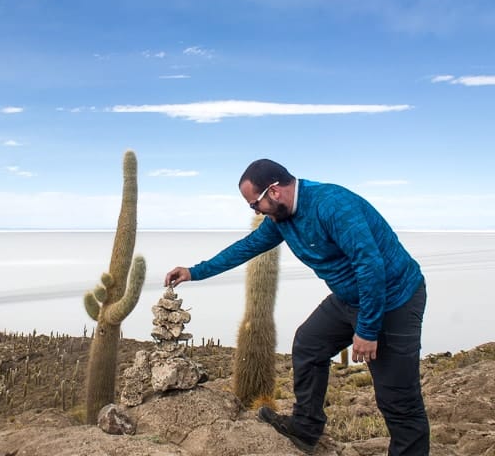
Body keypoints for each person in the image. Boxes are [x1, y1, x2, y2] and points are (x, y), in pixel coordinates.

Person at [165, 159, 429, 455]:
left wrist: (368, 330)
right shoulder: (282, 220)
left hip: (394, 300)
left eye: (255, 204)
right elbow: (245, 248)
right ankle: (305, 429)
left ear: (274, 191)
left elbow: (370, 266)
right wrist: (194, 271)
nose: (256, 211)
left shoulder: (332, 205)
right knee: (308, 345)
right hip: (349, 299)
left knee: (398, 400)